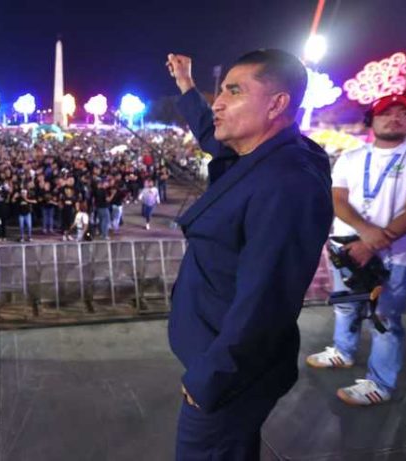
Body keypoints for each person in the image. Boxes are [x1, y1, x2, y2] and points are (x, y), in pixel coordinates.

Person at [166, 49, 333, 460]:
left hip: (229, 375)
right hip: (222, 362)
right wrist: (187, 85)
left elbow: (267, 303)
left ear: (277, 104)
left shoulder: (287, 182)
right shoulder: (257, 156)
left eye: (233, 91)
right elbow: (212, 131)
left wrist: (209, 381)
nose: (218, 102)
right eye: (219, 91)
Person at [306, 94, 406, 405]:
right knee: (346, 304)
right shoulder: (351, 157)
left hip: (396, 256)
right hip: (346, 248)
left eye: (404, 113)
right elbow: (338, 199)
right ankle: (342, 351)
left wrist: (376, 240)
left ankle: (380, 383)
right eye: (387, 112)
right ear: (372, 119)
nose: (396, 118)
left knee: (385, 318)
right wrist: (365, 234)